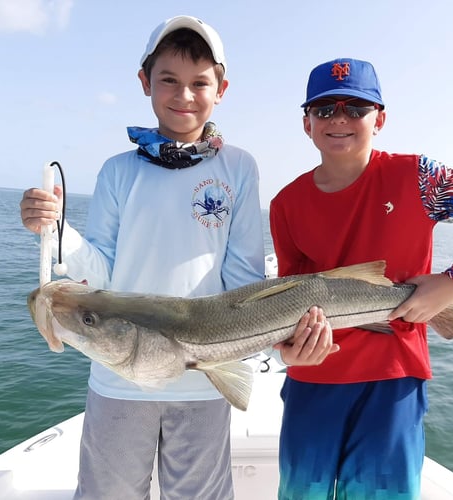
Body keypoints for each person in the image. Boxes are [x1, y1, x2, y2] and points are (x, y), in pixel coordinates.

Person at [20, 15, 288, 499]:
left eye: (199, 83)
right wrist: (57, 230)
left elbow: (245, 281)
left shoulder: (239, 168)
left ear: (221, 88)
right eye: (169, 80)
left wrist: (271, 339)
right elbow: (99, 273)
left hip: (205, 380)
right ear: (145, 82)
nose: (184, 95)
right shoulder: (118, 172)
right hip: (118, 378)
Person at [269, 58, 453, 499]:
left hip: (393, 376)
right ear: (307, 123)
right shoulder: (285, 204)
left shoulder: (419, 177)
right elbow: (290, 301)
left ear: (380, 118)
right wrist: (288, 349)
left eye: (356, 107)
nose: (340, 119)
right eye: (325, 109)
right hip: (313, 379)